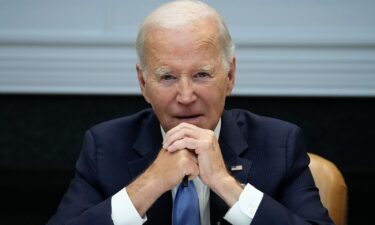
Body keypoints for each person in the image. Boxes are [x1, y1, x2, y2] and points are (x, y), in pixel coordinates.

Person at [47, 1, 334, 225]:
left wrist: (226, 184)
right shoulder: (105, 146)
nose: (185, 96)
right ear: (143, 83)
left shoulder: (279, 144)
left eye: (201, 74)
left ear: (230, 75)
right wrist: (149, 184)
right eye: (167, 77)